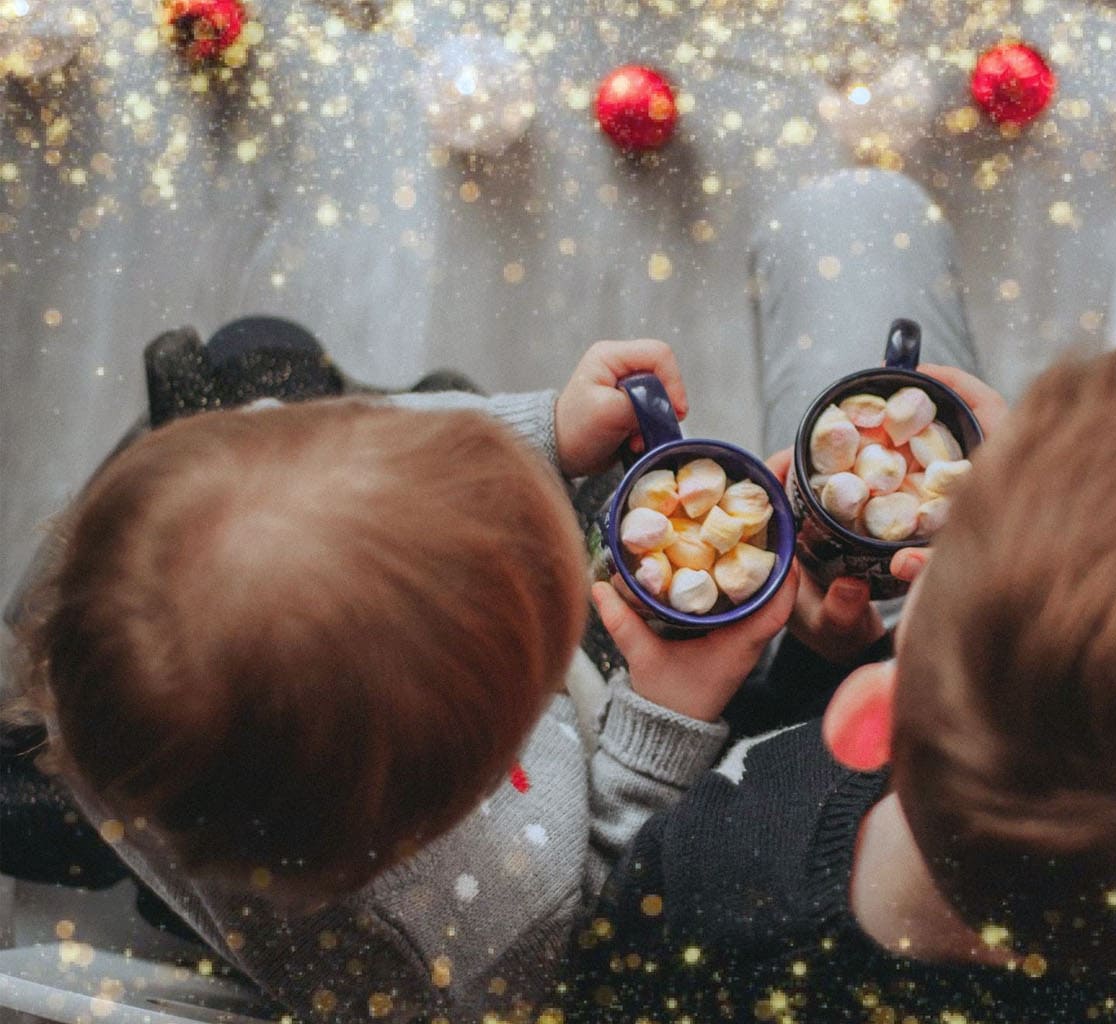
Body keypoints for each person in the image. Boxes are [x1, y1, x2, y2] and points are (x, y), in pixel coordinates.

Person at [557, 171, 1116, 1022]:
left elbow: (608, 967)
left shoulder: (722, 895)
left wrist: (806, 666)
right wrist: (1076, 510)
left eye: (947, 558)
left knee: (854, 210)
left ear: (868, 717)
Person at [8, 338, 796, 1022]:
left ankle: (61, 800)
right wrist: (663, 718)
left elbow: (360, 435)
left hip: (138, 788)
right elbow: (595, 921)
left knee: (259, 350)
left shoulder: (110, 642)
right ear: (485, 769)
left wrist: (542, 432)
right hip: (285, 889)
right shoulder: (475, 944)